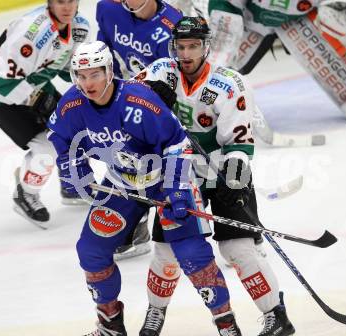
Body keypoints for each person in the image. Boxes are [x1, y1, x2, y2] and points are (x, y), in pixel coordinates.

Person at [46, 40, 242, 336]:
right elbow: (60, 138)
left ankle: (227, 326)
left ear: (109, 71)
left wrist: (177, 190)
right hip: (122, 182)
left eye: (95, 74)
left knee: (191, 252)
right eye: (82, 76)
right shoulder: (72, 104)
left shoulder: (139, 101)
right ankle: (111, 326)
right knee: (91, 250)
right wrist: (75, 167)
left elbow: (177, 144)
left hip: (165, 178)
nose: (88, 83)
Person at [137, 16, 295, 336]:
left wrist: (232, 181)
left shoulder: (229, 83)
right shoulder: (158, 73)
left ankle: (276, 315)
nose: (186, 54)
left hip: (221, 167)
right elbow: (127, 101)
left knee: (238, 249)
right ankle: (155, 313)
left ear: (206, 47)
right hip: (178, 169)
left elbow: (239, 141)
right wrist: (149, 100)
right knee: (167, 251)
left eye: (193, 46)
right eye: (180, 47)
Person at [0, 0, 91, 228]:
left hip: (33, 83)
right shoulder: (31, 33)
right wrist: (37, 99)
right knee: (46, 146)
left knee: (71, 128)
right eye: (60, 1)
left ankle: (70, 185)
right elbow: (2, 85)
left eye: (72, 1)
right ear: (50, 3)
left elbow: (68, 70)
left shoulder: (80, 27)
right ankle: (26, 194)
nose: (67, 7)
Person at [94, 0, 183, 258]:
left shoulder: (171, 27)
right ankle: (131, 224)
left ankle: (145, 223)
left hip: (155, 107)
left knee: (156, 164)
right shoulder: (108, 8)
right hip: (119, 97)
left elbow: (177, 77)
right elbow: (104, 49)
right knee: (121, 158)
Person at [207, 0, 346, 122]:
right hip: (250, 23)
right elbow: (226, 4)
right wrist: (221, 50)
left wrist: (338, 11)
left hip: (297, 23)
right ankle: (203, 100)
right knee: (215, 70)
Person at [96, 0, 183, 79]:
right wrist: (112, 77)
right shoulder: (109, 10)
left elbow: (183, 81)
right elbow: (102, 46)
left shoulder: (174, 32)